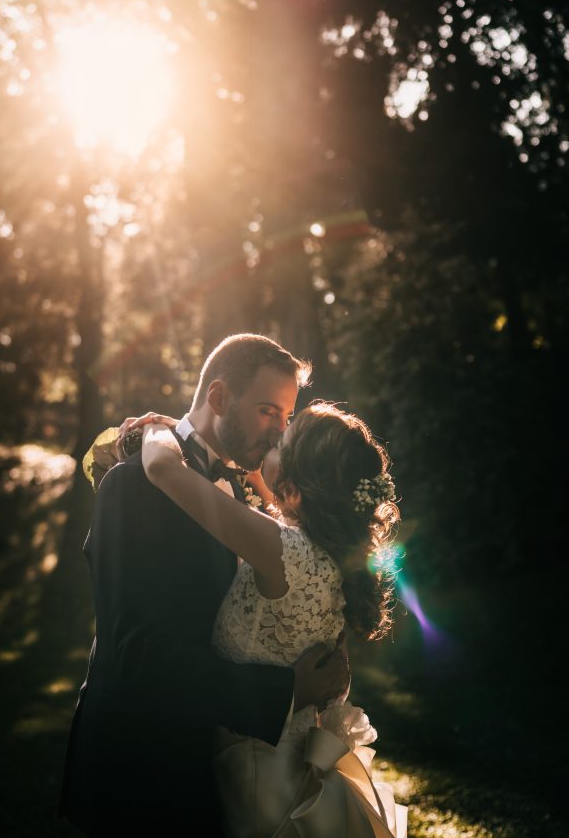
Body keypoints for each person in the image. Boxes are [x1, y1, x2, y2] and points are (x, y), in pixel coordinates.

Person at [59, 334, 350, 836]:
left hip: (207, 765)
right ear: (218, 398)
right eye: (267, 412)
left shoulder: (235, 487)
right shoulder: (134, 485)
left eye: (285, 417)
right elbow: (139, 653)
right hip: (137, 772)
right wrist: (285, 691)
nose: (279, 433)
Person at [136, 400, 407, 838]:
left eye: (282, 440)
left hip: (258, 775)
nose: (271, 439)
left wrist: (158, 429)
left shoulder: (285, 553)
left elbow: (163, 470)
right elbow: (271, 501)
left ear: (295, 489)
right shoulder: (331, 554)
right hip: (289, 757)